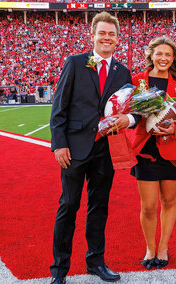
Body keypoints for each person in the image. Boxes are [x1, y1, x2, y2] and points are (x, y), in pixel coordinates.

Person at [49, 12, 140, 284]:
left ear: (117, 39)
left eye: (111, 34)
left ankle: (95, 262)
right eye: (102, 33)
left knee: (99, 207)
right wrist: (59, 145)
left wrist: (129, 119)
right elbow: (59, 107)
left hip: (106, 149)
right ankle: (59, 270)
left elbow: (132, 111)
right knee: (68, 205)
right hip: (75, 149)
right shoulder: (75, 63)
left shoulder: (122, 71)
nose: (107, 38)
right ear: (92, 36)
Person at [131, 37, 176, 270]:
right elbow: (128, 111)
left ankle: (163, 246)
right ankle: (149, 247)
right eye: (159, 54)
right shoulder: (137, 81)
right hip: (145, 150)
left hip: (172, 150)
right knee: (148, 206)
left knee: (169, 201)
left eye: (168, 55)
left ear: (173, 58)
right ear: (151, 55)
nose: (163, 58)